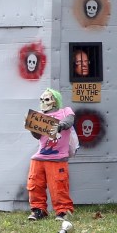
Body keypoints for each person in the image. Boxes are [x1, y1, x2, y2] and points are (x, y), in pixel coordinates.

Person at [26, 88, 77, 221]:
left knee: (58, 185)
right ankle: (38, 210)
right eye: (42, 99)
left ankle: (63, 211)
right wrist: (32, 126)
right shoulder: (39, 115)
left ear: (55, 100)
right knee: (35, 183)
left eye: (47, 99)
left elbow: (70, 121)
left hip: (58, 157)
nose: (43, 102)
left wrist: (60, 126)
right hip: (40, 156)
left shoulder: (65, 111)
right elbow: (38, 136)